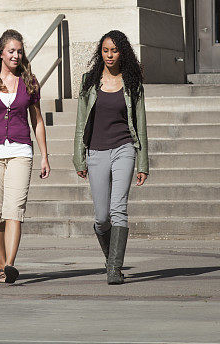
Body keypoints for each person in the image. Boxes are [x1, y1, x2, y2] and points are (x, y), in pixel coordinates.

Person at [0, 29, 51, 283]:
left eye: (19, 51)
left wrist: (44, 155)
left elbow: (37, 120)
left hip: (20, 152)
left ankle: (10, 266)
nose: (16, 56)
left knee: (14, 210)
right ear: (1, 53)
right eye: (11, 51)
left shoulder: (30, 81)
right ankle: (1, 265)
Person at [73, 30, 149, 285]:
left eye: (114, 50)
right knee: (101, 217)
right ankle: (110, 259)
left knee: (119, 209)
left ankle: (114, 269)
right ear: (100, 52)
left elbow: (141, 123)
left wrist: (143, 163)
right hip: (95, 151)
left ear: (122, 52)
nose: (109, 55)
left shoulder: (133, 83)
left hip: (124, 148)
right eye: (105, 50)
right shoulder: (89, 81)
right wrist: (79, 158)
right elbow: (80, 121)